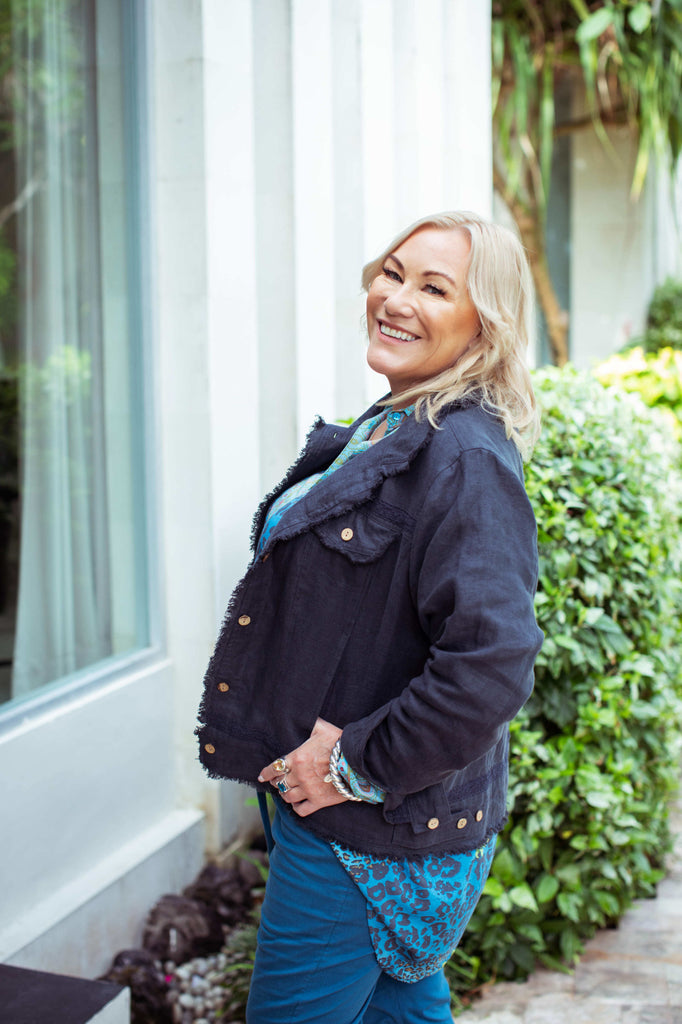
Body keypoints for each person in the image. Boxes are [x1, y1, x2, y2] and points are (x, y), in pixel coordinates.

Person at [196, 210, 544, 1024]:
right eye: (392, 273)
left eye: (435, 288)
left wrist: (351, 765)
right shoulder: (397, 420)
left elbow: (491, 665)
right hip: (342, 818)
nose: (397, 299)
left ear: (485, 324)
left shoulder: (464, 456)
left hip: (365, 834)